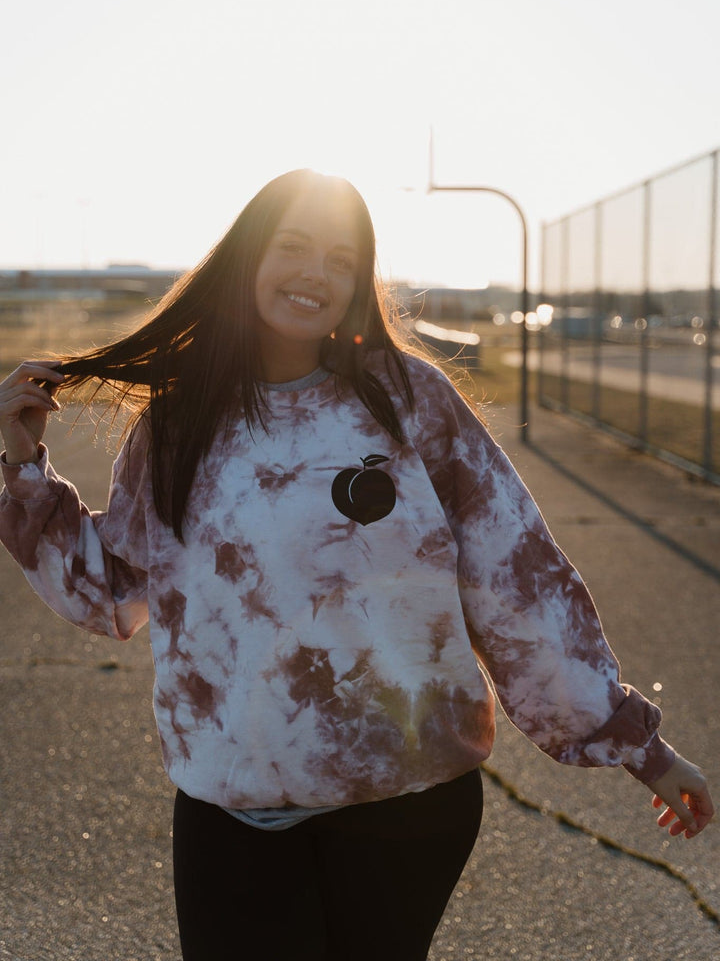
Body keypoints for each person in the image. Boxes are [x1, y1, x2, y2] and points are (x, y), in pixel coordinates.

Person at [0, 168, 713, 961]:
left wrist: (639, 747)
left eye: (342, 259)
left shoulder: (410, 401)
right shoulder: (179, 424)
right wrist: (26, 468)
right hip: (236, 808)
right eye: (294, 247)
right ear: (248, 258)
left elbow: (516, 582)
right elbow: (109, 593)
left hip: (409, 806)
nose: (316, 273)